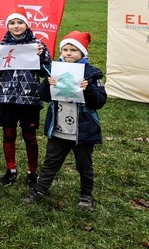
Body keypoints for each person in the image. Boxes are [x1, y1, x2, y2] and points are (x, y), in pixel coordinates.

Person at [24, 31, 106, 210]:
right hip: (59, 127)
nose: (68, 53)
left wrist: (89, 89)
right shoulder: (55, 70)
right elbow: (44, 96)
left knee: (84, 165)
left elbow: (99, 101)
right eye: (65, 50)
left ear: (83, 53)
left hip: (82, 130)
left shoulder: (92, 74)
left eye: (73, 50)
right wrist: (47, 83)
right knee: (50, 162)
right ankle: (40, 190)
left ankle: (86, 196)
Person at [0, 7, 52, 188]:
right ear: (7, 26)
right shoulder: (0, 47)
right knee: (8, 134)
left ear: (26, 24)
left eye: (19, 22)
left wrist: (42, 56)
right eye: (12, 23)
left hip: (29, 97)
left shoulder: (37, 45)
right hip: (7, 98)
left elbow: (45, 72)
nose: (16, 26)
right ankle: (11, 170)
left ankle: (33, 172)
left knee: (30, 136)